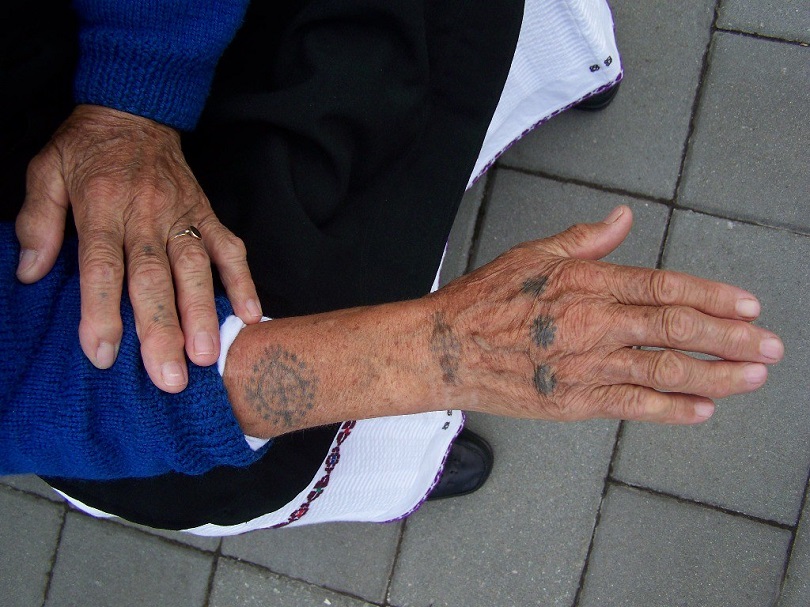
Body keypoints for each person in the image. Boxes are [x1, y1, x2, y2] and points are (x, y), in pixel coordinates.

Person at [0, 0, 785, 532]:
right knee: (298, 302)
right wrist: (446, 351)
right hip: (78, 349)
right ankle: (386, 451)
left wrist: (133, 88)